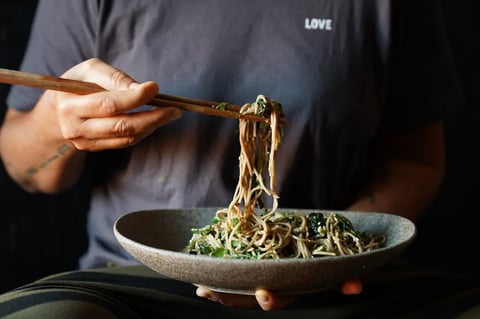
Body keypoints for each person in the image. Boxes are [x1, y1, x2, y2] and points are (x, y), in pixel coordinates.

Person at [0, 0, 478, 317]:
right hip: (137, 281)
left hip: (335, 284)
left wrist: (325, 262)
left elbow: (415, 160)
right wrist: (53, 126)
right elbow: (29, 171)